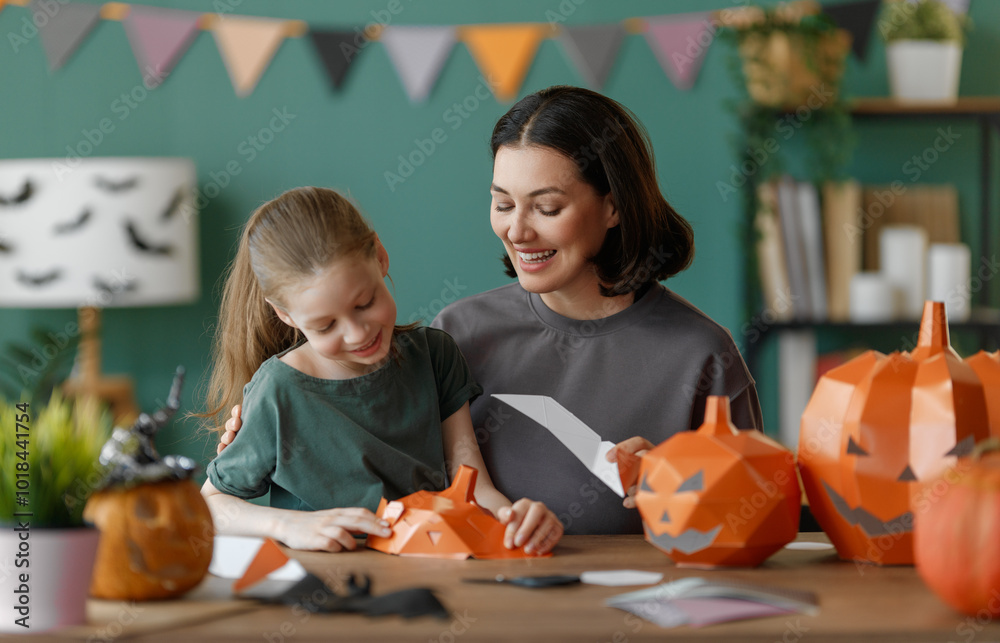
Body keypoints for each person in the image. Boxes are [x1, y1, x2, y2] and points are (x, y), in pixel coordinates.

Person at [220, 86, 762, 536]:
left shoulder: (700, 355)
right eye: (503, 204)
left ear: (614, 205)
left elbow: (755, 522)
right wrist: (267, 418)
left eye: (547, 207)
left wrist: (677, 482)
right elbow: (359, 434)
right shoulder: (459, 334)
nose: (517, 231)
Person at [199, 187, 563, 554]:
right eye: (325, 326)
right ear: (285, 315)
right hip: (330, 591)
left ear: (380, 257)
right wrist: (291, 525)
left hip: (435, 575)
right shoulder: (277, 391)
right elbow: (210, 506)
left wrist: (515, 519)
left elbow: (472, 488)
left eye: (365, 302)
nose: (357, 333)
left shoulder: (435, 355)